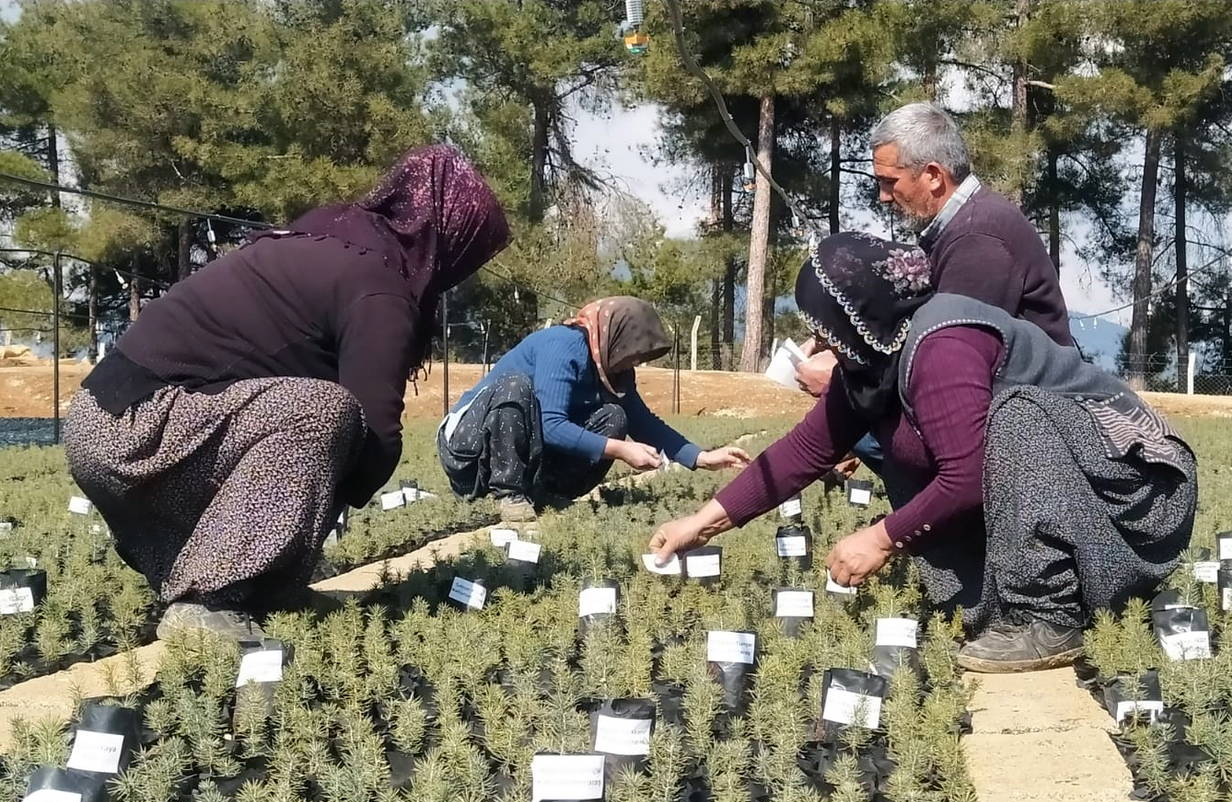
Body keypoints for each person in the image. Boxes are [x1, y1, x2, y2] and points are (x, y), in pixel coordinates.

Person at [649, 233, 1197, 673]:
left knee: (1014, 417)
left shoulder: (943, 344)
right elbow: (803, 451)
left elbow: (966, 477)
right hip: (1078, 494)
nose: (819, 343)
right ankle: (1017, 600)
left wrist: (880, 538)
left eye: (824, 329)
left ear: (855, 318)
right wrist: (700, 523)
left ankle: (1049, 618)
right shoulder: (875, 360)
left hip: (1134, 496)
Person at [64, 145, 511, 641]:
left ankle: (264, 593)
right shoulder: (379, 285)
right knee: (326, 414)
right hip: (137, 431)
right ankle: (209, 603)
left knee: (319, 424)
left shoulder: (333, 236)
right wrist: (330, 495)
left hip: (106, 422)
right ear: (451, 238)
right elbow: (377, 430)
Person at [795, 101, 1072, 400]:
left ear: (934, 176)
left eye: (889, 182)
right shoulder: (960, 226)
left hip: (1035, 410)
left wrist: (841, 382)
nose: (883, 197)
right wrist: (840, 346)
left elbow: (944, 356)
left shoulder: (978, 238)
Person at [439, 297, 750, 521]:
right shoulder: (563, 346)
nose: (636, 363)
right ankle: (508, 493)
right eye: (635, 354)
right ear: (617, 338)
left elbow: (643, 422)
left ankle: (549, 494)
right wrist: (620, 450)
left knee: (615, 416)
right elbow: (551, 425)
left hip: (524, 455)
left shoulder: (613, 370)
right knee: (516, 386)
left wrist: (701, 457)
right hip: (472, 454)